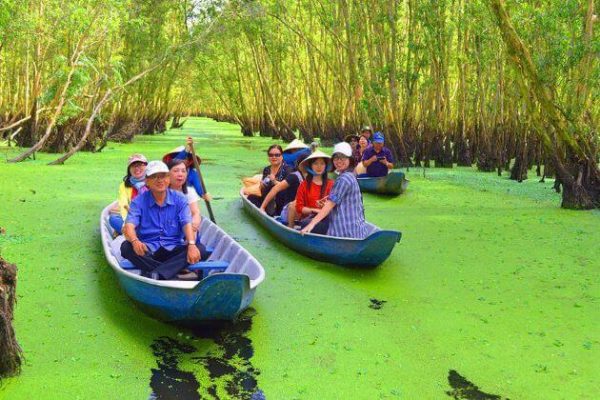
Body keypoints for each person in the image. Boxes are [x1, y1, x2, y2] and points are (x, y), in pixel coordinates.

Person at [121, 161, 208, 281]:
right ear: (147, 181)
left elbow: (186, 222)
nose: (159, 180)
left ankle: (157, 273)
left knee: (200, 249)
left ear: (168, 179)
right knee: (126, 247)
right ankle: (170, 271)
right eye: (154, 177)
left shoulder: (180, 199)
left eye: (163, 176)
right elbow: (129, 225)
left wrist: (192, 244)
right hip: (147, 250)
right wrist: (135, 241)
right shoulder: (138, 201)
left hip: (173, 248)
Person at [301, 142, 368, 239]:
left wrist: (311, 224)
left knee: (305, 223)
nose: (339, 161)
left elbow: (330, 204)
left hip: (344, 232)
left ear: (350, 159)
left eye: (343, 157)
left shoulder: (344, 179)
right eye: (336, 158)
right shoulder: (351, 175)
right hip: (356, 230)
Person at [260, 152, 309, 224]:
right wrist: (262, 207)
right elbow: (275, 189)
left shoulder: (314, 177)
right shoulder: (294, 177)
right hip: (291, 211)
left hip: (306, 210)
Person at [294, 150, 334, 234]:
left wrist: (325, 209)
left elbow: (336, 206)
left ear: (326, 166)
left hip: (327, 219)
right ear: (310, 166)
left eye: (322, 163)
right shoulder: (304, 185)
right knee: (305, 223)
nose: (319, 166)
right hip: (309, 219)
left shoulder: (332, 184)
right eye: (315, 163)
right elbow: (299, 207)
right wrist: (314, 210)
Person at [109, 154, 148, 235]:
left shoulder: (153, 180)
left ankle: (129, 233)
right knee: (113, 219)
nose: (136, 168)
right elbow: (123, 205)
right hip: (131, 218)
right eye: (133, 166)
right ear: (129, 169)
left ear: (146, 167)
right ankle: (133, 232)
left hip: (150, 218)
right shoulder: (123, 185)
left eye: (140, 165)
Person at [162, 137, 211, 201]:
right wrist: (186, 150)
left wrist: (203, 194)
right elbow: (176, 161)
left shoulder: (192, 173)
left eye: (186, 158)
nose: (182, 161)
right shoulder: (168, 169)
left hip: (184, 199)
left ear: (189, 161)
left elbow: (198, 187)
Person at [168, 159, 202, 239]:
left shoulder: (189, 192)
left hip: (186, 232)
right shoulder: (161, 192)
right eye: (176, 171)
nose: (180, 174)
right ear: (168, 174)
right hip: (166, 233)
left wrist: (193, 226)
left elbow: (195, 213)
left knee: (201, 250)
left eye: (183, 171)